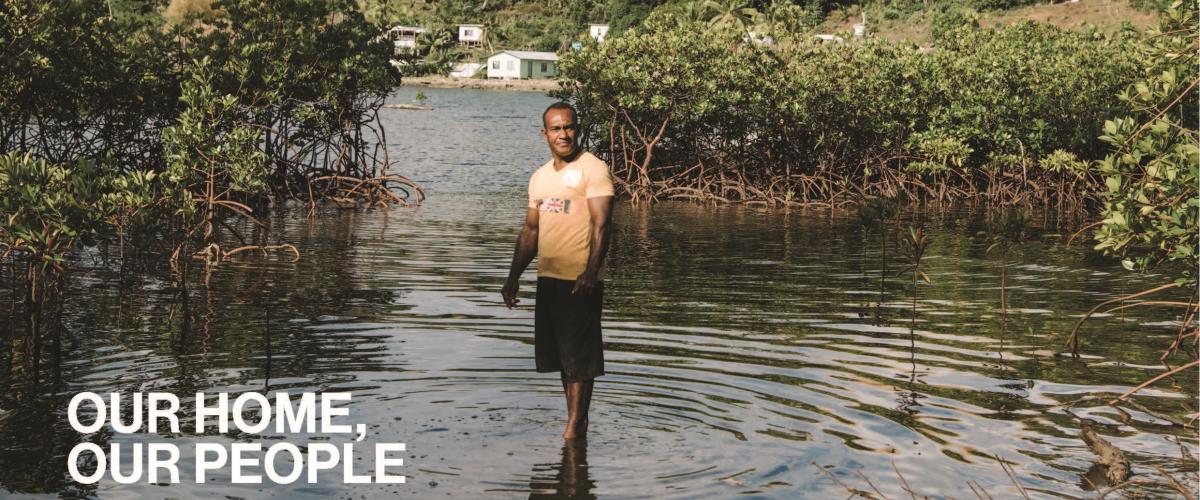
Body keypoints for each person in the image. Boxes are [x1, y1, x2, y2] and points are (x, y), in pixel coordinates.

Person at [501, 101, 614, 440]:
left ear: (578, 129)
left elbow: (602, 225)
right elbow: (530, 231)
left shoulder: (593, 169)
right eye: (556, 128)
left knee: (579, 359)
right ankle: (576, 426)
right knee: (564, 360)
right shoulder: (539, 178)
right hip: (548, 279)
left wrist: (590, 273)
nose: (563, 134)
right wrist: (513, 277)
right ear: (545, 133)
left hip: (579, 280)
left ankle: (574, 428)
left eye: (569, 127)